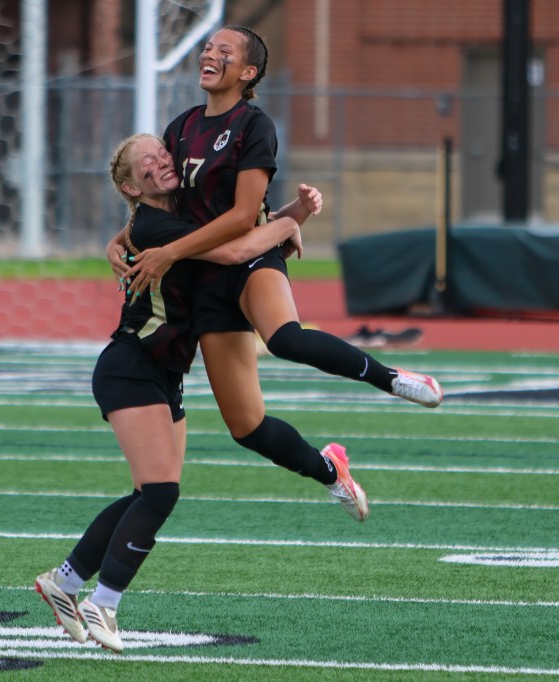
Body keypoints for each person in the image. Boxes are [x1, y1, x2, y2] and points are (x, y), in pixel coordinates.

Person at [112, 25, 442, 516]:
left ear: (248, 73)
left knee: (285, 338)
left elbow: (244, 216)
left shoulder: (254, 125)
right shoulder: (181, 128)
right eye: (208, 47)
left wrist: (182, 248)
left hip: (250, 256)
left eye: (224, 51)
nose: (209, 54)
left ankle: (391, 378)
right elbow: (159, 198)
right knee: (246, 427)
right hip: (205, 281)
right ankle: (330, 469)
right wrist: (120, 237)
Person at [35, 133, 321, 654]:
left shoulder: (183, 212)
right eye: (147, 161)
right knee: (161, 491)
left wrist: (292, 213)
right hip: (132, 367)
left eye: (162, 152)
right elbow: (235, 247)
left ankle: (65, 582)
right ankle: (104, 602)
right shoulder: (155, 224)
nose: (161, 161)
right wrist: (287, 224)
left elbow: (237, 231)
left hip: (164, 373)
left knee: (150, 493)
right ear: (131, 187)